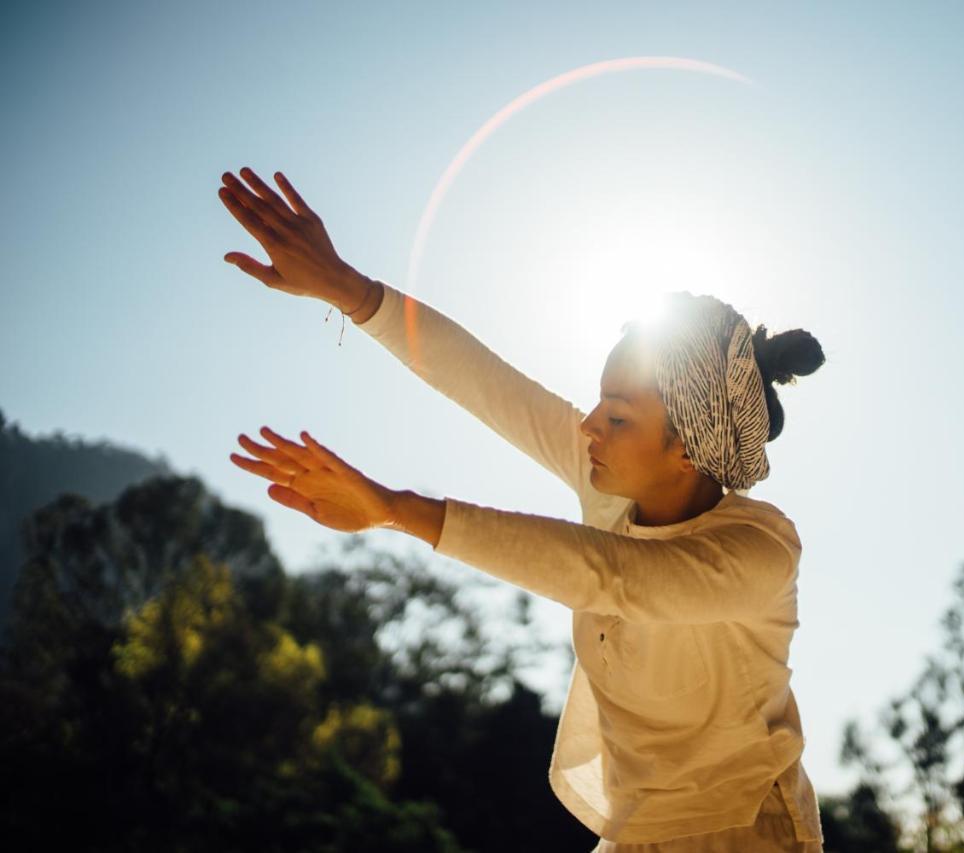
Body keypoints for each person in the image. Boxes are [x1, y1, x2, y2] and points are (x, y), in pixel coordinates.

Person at [219, 167, 828, 851]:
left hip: (746, 832)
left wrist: (395, 509)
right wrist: (346, 287)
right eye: (599, 401)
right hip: (635, 834)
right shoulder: (611, 486)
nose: (590, 425)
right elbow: (486, 383)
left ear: (687, 447)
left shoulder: (759, 551)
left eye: (618, 416)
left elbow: (612, 575)